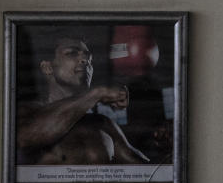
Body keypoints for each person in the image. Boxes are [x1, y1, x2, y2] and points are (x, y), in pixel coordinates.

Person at [16, 32, 149, 165]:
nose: (85, 59)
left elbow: (145, 169)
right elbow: (26, 137)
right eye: (72, 53)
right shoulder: (28, 112)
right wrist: (97, 93)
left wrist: (168, 154)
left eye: (88, 56)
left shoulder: (102, 123)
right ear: (48, 67)